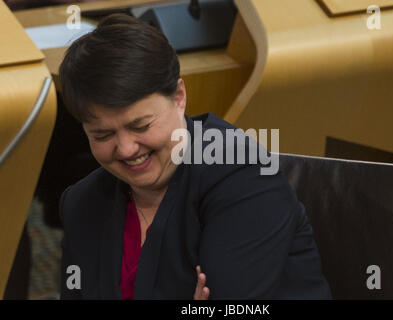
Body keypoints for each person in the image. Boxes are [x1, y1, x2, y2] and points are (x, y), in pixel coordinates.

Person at [58, 13, 331, 299]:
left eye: (141, 126)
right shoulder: (82, 204)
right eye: (102, 135)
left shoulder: (241, 172)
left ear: (178, 97)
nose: (126, 149)